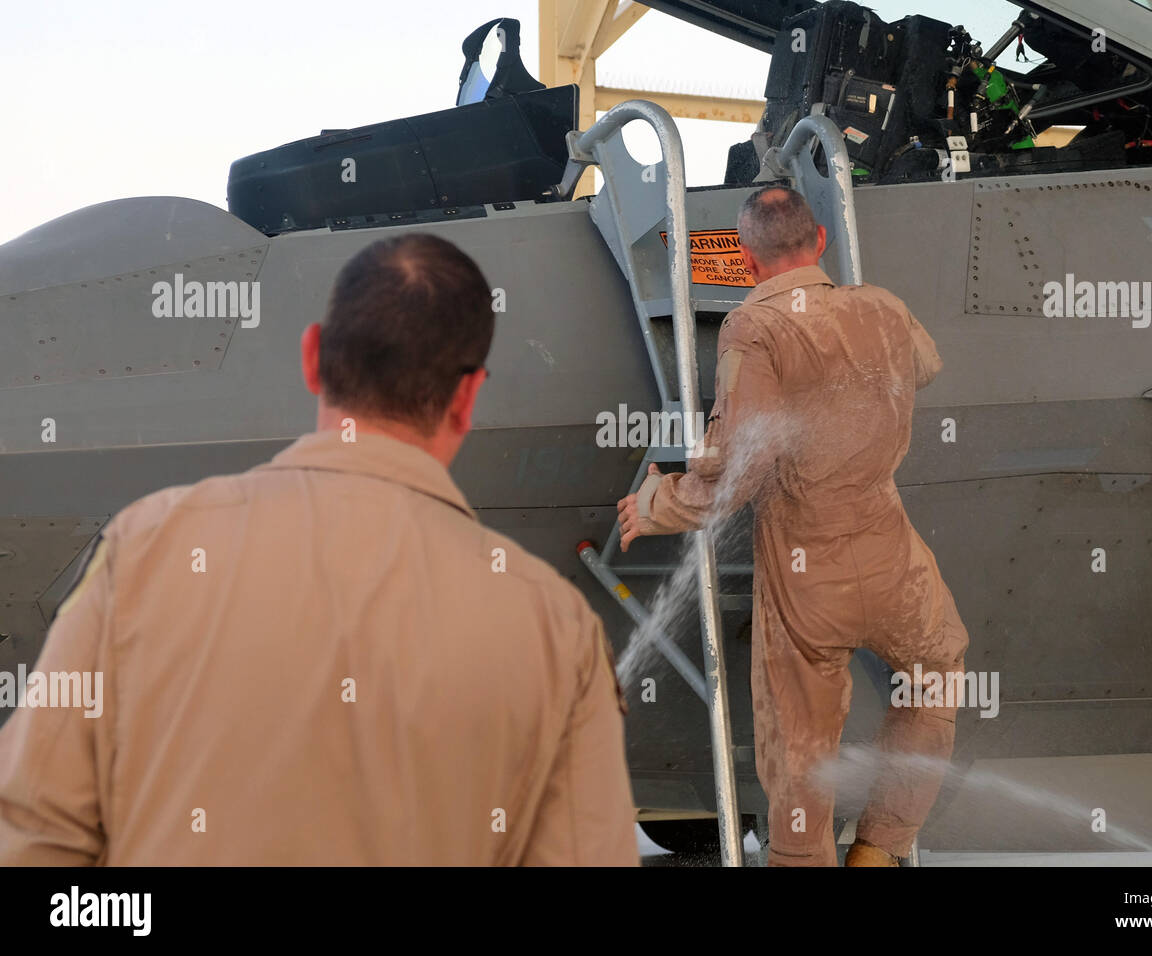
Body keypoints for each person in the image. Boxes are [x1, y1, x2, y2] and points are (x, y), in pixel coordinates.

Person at [0, 233, 639, 866]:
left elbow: (34, 830)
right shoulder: (557, 629)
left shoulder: (143, 549)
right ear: (468, 397)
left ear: (312, 358)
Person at [618, 185, 968, 867]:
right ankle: (880, 849)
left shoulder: (753, 327)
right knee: (937, 677)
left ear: (746, 260)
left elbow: (740, 468)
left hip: (807, 573)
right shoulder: (883, 307)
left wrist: (656, 505)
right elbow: (924, 366)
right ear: (821, 242)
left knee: (801, 749)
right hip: (893, 555)